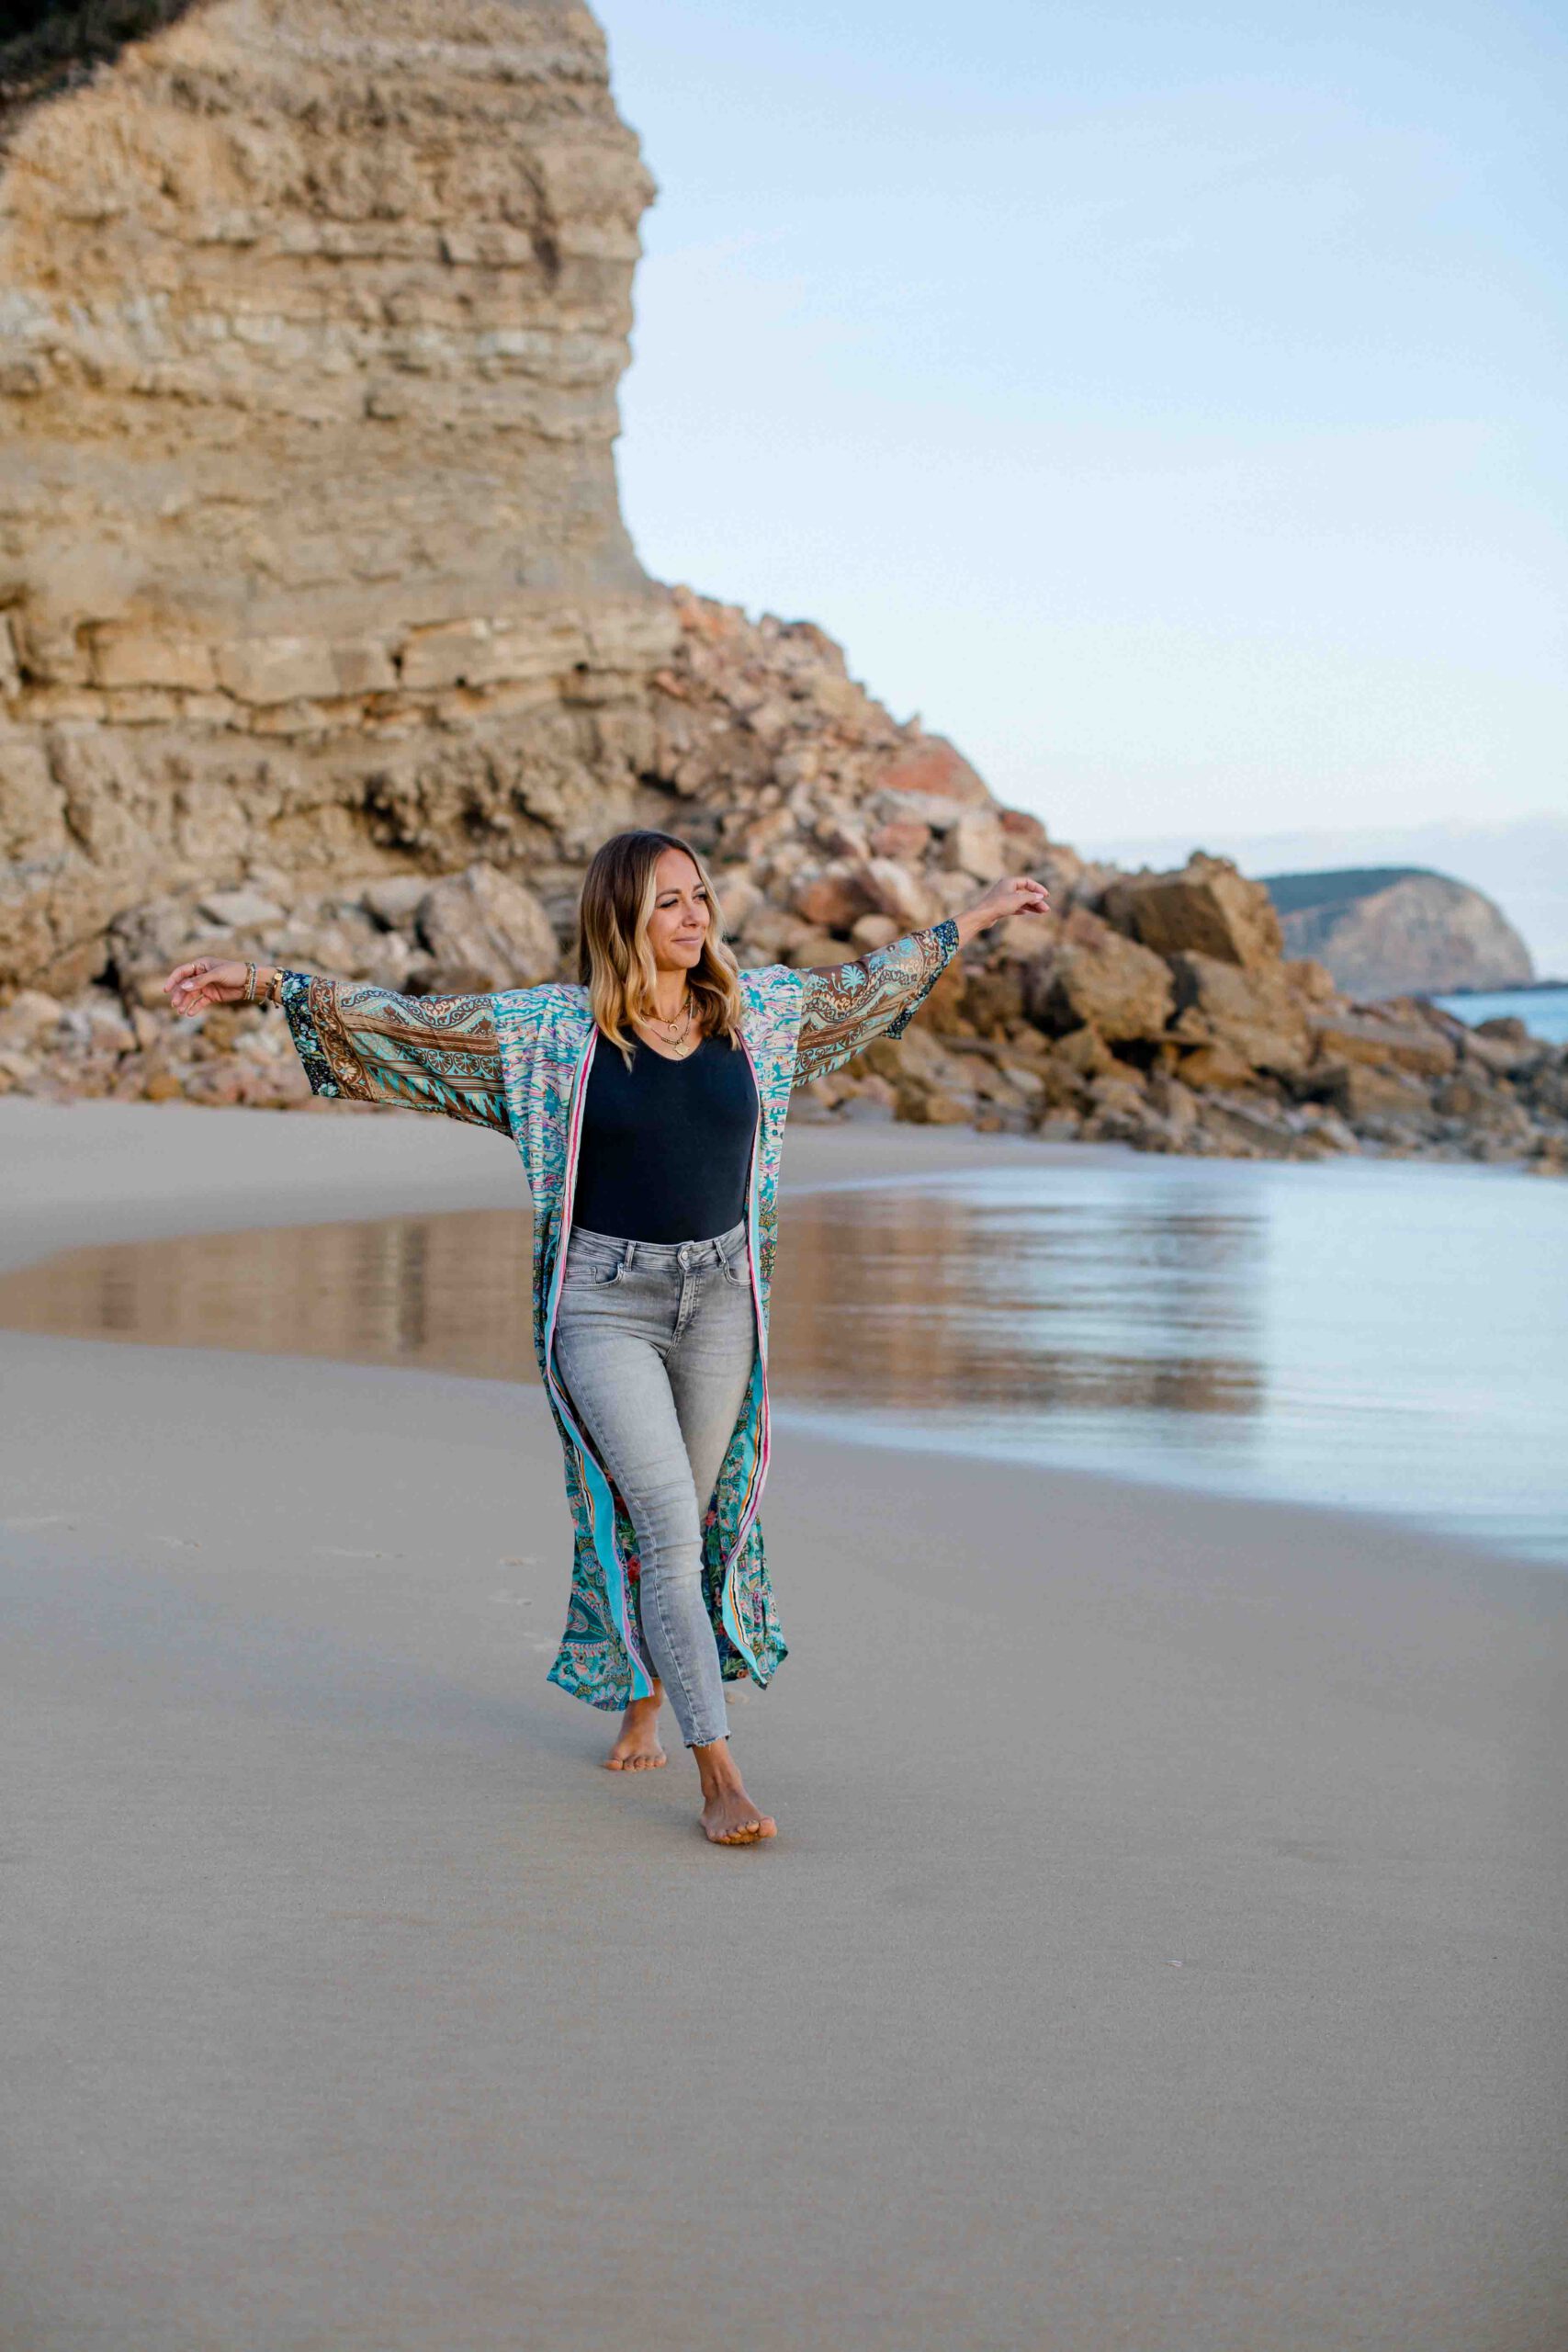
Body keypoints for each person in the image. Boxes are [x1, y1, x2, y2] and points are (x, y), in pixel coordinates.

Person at [164, 828, 1049, 1844]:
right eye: (669, 900)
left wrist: (973, 917)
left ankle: (644, 1697)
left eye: (700, 895)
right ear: (620, 915)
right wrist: (265, 981)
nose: (693, 914)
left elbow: (869, 984)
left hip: (720, 1300)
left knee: (697, 1522)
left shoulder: (758, 1013)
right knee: (667, 1522)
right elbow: (411, 1026)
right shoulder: (549, 1032)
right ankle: (719, 1773)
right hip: (604, 1306)